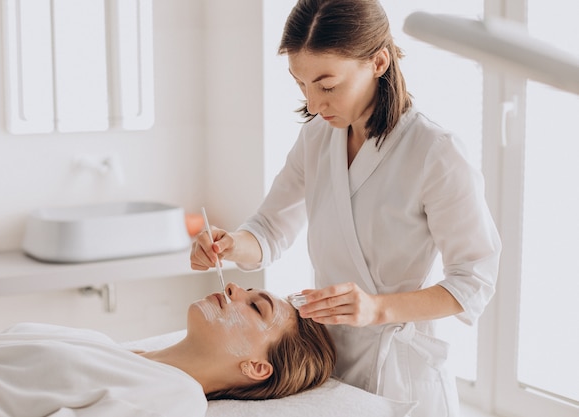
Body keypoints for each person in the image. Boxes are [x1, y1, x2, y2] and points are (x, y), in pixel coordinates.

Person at [190, 0, 502, 416]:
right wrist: (231, 245)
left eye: (327, 85)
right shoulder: (317, 138)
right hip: (330, 362)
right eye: (301, 85)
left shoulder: (436, 153)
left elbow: (473, 281)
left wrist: (377, 309)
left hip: (401, 369)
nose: (315, 104)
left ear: (378, 62)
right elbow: (268, 228)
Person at [0, 283, 336, 417]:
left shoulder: (174, 399)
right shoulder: (110, 347)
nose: (235, 288)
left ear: (256, 367)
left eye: (256, 306)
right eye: (249, 290)